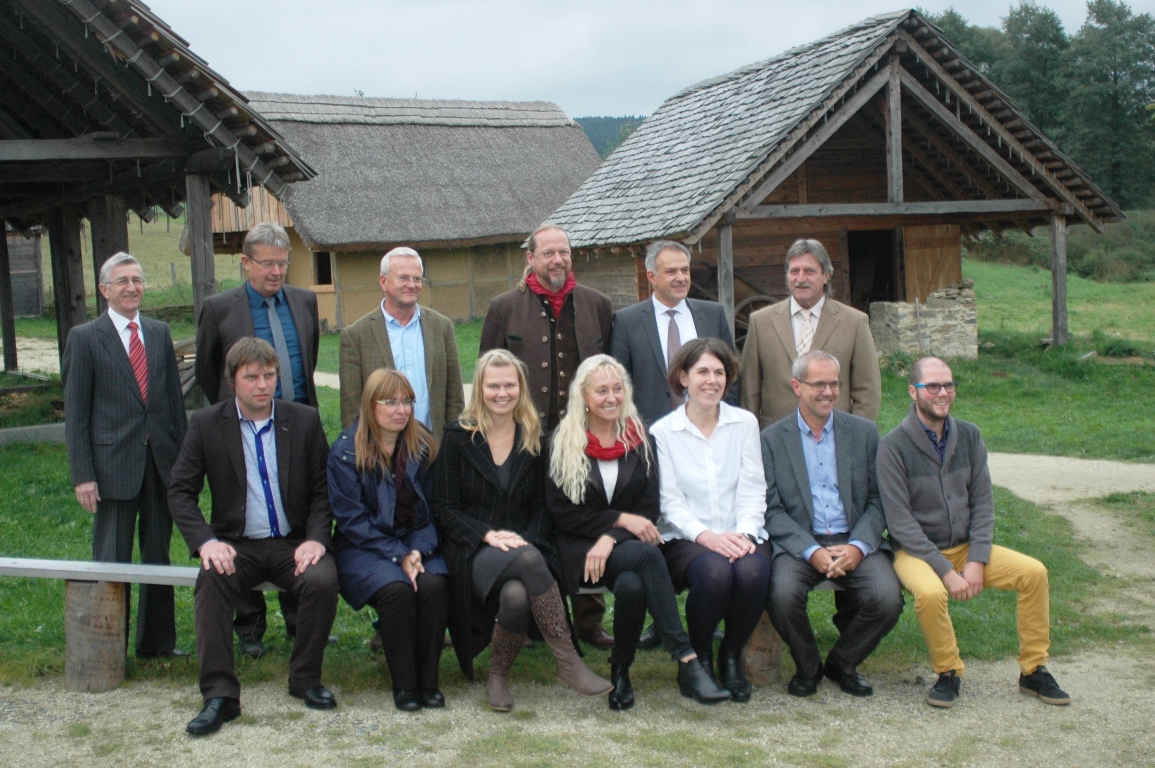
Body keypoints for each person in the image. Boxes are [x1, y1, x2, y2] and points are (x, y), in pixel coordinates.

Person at [168, 338, 339, 736]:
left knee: (321, 579)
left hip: (293, 541)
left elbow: (322, 489)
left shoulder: (304, 420)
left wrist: (317, 538)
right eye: (252, 377)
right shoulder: (207, 424)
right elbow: (180, 491)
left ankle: (305, 679)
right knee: (210, 582)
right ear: (233, 381)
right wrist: (207, 542)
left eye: (269, 375)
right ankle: (220, 695)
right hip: (236, 545)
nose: (262, 385)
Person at [878, 356, 1070, 708]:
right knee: (932, 593)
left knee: (1034, 573)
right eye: (932, 386)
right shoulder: (893, 446)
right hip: (915, 552)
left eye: (948, 385)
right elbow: (900, 522)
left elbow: (983, 502)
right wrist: (946, 571)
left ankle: (1033, 669)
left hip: (966, 547)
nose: (942, 393)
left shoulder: (969, 435)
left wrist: (977, 559)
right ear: (913, 391)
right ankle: (948, 672)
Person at [546, 354, 729, 709]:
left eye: (618, 388)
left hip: (621, 545)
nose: (611, 397)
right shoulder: (563, 440)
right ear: (583, 396)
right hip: (578, 547)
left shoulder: (639, 438)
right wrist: (617, 521)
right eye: (601, 391)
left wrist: (612, 534)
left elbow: (646, 511)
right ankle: (686, 658)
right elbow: (561, 513)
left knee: (632, 585)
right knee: (647, 556)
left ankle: (620, 671)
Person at [434, 349, 612, 711]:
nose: (502, 393)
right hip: (472, 549)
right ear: (479, 389)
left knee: (516, 594)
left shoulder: (535, 437)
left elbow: (546, 507)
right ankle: (567, 661)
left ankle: (497, 674)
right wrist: (487, 535)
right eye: (493, 385)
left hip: (526, 547)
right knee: (529, 563)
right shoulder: (457, 438)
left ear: (521, 388)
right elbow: (444, 508)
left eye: (510, 385)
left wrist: (524, 542)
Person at [479, 222, 615, 649]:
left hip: (582, 438)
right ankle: (533, 618)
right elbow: (488, 370)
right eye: (549, 253)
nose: (558, 260)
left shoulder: (598, 305)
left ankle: (588, 621)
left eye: (564, 252)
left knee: (585, 520)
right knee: (529, 521)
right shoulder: (504, 307)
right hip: (525, 438)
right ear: (531, 258)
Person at [195, 222, 320, 658]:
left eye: (283, 264)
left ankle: (299, 619)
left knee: (295, 522)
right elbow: (211, 371)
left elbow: (309, 359)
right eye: (267, 263)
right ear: (246, 262)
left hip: (297, 430)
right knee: (242, 520)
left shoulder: (304, 302)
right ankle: (248, 626)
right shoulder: (219, 308)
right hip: (240, 432)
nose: (276, 272)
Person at [62, 251, 187, 659]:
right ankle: (105, 647)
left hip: (160, 465)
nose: (131, 287)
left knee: (158, 555)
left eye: (137, 279)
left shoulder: (158, 331)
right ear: (104, 290)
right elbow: (77, 414)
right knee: (112, 558)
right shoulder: (85, 338)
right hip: (112, 468)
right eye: (122, 281)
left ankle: (156, 646)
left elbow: (172, 403)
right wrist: (83, 474)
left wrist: (184, 467)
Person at [762, 350, 903, 698]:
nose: (827, 392)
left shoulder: (863, 433)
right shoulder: (772, 439)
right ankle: (808, 666)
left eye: (834, 384)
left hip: (853, 537)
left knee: (887, 599)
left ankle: (843, 663)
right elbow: (770, 508)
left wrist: (859, 546)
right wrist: (810, 551)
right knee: (781, 595)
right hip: (800, 542)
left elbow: (878, 499)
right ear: (797, 386)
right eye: (818, 384)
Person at [651, 338, 771, 703]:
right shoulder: (663, 432)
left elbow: (753, 487)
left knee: (752, 572)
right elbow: (670, 502)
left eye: (719, 372)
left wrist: (744, 533)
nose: (712, 380)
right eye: (702, 371)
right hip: (685, 539)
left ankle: (731, 657)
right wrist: (706, 536)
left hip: (741, 531)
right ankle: (697, 660)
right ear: (683, 377)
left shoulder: (744, 423)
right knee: (715, 573)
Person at [328, 368, 449, 711]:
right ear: (370, 405)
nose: (401, 410)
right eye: (391, 402)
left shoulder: (423, 446)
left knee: (434, 584)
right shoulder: (345, 452)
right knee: (396, 590)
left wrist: (417, 550)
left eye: (407, 401)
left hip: (416, 541)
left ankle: (429, 682)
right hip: (363, 547)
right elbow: (351, 521)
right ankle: (405, 686)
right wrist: (399, 555)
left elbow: (434, 510)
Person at [740, 238, 881, 428]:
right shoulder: (760, 322)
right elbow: (749, 392)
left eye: (809, 271)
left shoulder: (854, 322)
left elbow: (868, 391)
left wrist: (854, 437)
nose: (800, 279)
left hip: (834, 435)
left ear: (826, 275)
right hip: (777, 437)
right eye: (794, 271)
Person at [338, 246, 464, 441]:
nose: (411, 284)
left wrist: (453, 444)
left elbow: (455, 398)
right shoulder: (356, 336)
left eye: (417, 278)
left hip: (434, 447)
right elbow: (352, 407)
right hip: (382, 450)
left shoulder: (442, 328)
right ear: (383, 281)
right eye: (403, 278)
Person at [610, 240, 736, 426]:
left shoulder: (713, 315)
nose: (681, 277)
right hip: (650, 433)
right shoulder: (627, 321)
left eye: (685, 270)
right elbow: (619, 381)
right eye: (671, 271)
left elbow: (731, 374)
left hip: (709, 429)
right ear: (652, 277)